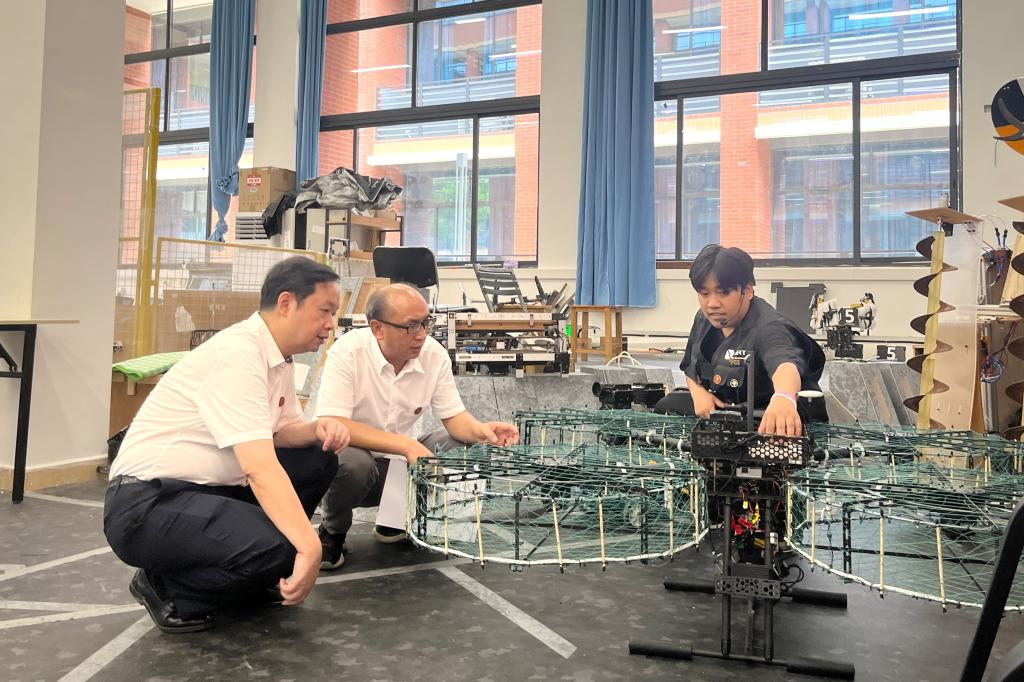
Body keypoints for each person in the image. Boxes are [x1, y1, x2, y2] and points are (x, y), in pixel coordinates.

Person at [104, 257, 350, 633]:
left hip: (203, 491)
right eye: (325, 311)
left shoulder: (278, 358)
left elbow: (280, 434)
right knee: (284, 547)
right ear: (286, 303)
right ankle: (165, 586)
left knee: (317, 457)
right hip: (147, 505)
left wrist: (320, 428)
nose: (331, 324)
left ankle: (253, 569)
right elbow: (259, 467)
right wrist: (309, 547)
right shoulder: (239, 354)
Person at [314, 283, 520, 569]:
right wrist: (406, 445)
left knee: (462, 446)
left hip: (398, 464)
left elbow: (454, 418)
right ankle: (332, 530)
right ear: (378, 328)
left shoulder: (433, 354)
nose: (422, 334)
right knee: (351, 462)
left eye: (426, 323)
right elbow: (334, 423)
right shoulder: (348, 352)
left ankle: (396, 520)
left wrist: (481, 431)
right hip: (357, 464)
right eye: (411, 326)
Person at [665, 244, 826, 436]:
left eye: (723, 292)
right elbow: (691, 367)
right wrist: (698, 393)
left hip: (776, 428)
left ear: (747, 290)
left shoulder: (769, 327)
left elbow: (785, 364)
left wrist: (784, 398)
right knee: (666, 405)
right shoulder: (703, 319)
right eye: (704, 293)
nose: (712, 304)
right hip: (726, 423)